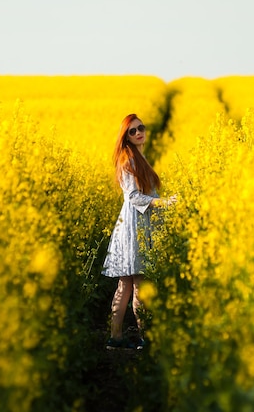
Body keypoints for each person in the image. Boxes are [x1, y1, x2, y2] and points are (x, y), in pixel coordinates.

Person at [102, 113, 176, 350]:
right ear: (125, 136)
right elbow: (133, 197)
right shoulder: (129, 160)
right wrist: (163, 203)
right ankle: (144, 339)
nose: (138, 133)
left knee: (126, 283)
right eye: (132, 131)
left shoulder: (137, 157)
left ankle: (116, 338)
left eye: (140, 128)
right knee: (137, 284)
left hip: (135, 224)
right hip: (134, 227)